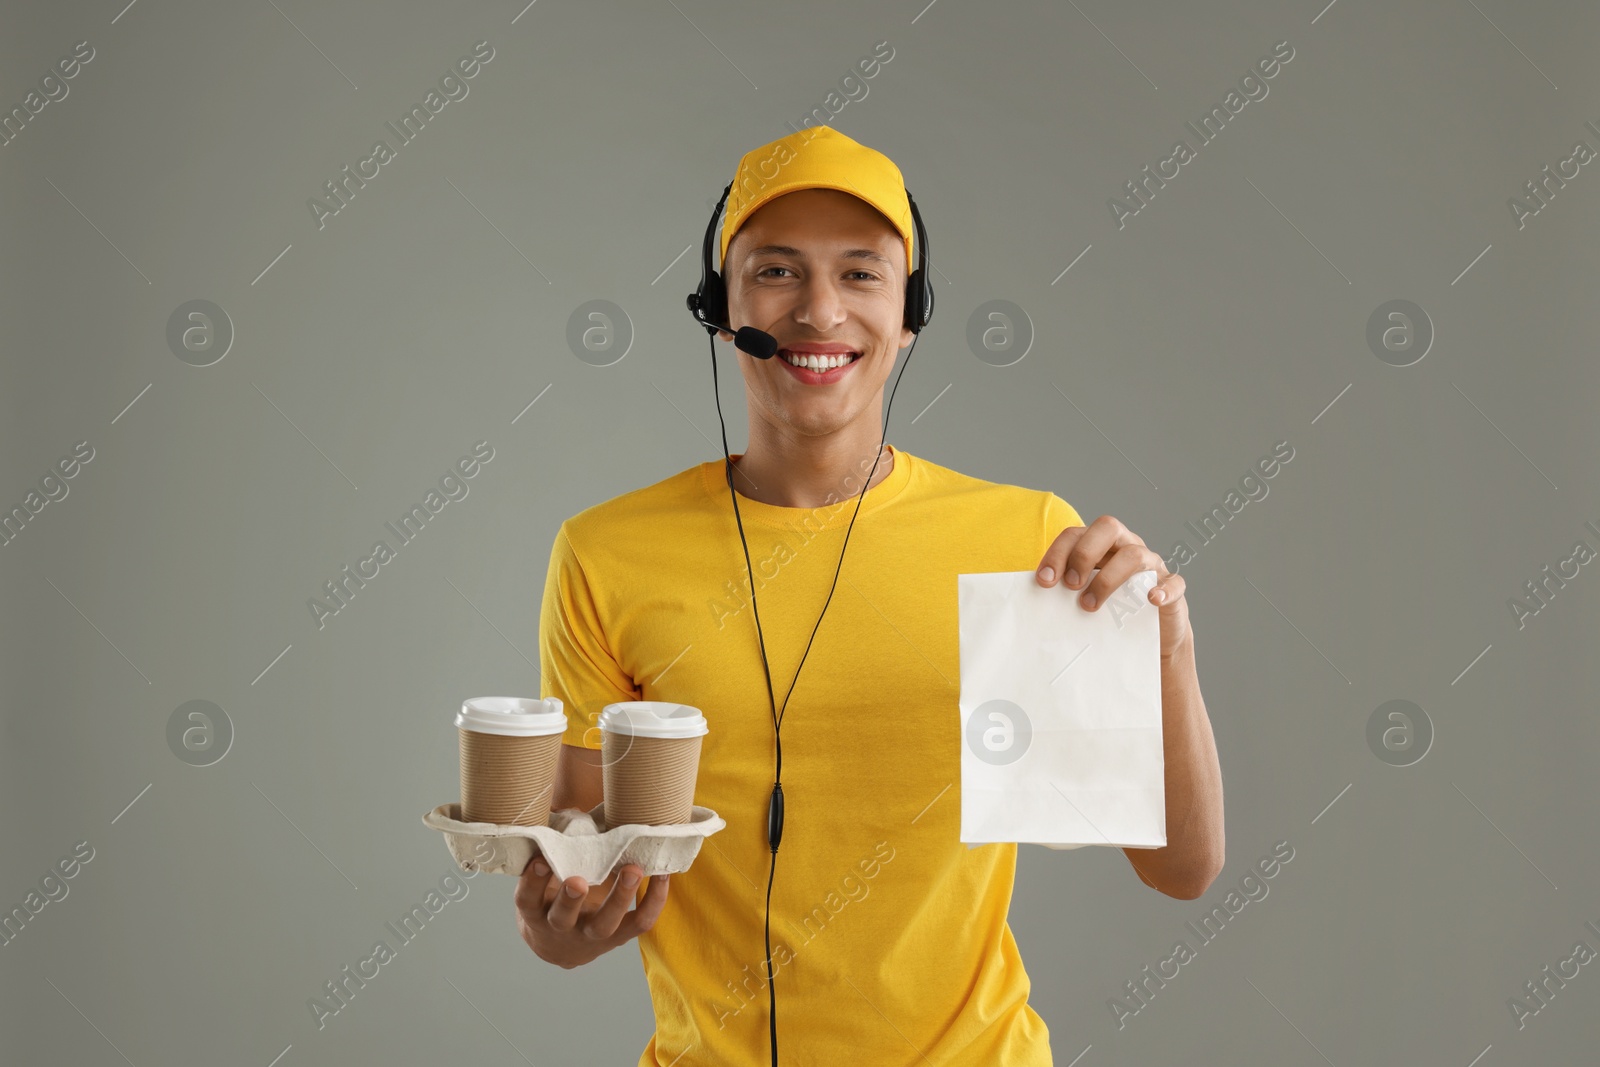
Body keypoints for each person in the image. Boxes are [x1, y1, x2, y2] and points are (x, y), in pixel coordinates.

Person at [514, 125, 1225, 1066]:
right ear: (721, 308)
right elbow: (573, 871)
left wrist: (1164, 645)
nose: (818, 311)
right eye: (776, 271)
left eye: (861, 274)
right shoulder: (605, 554)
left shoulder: (1026, 545)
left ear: (910, 313)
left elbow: (1181, 867)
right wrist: (558, 927)